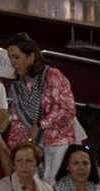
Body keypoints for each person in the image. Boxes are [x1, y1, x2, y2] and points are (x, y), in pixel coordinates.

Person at [6, 32, 78, 181]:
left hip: (57, 144)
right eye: (10, 58)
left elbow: (67, 108)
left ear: (31, 55)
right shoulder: (16, 86)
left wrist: (40, 124)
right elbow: (16, 121)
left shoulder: (52, 75)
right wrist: (17, 149)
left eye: (16, 57)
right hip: (34, 150)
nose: (12, 62)